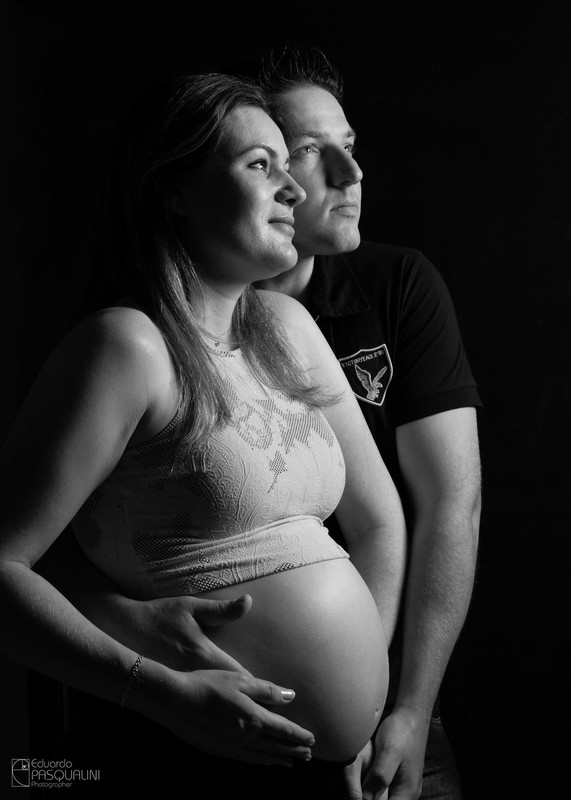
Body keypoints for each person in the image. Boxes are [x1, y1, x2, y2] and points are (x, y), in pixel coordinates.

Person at [33, 46, 482, 798]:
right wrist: (145, 675)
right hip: (189, 741)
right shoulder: (125, 347)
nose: (301, 189)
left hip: (353, 752)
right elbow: (33, 554)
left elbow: (401, 517)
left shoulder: (289, 321)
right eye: (269, 162)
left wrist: (375, 702)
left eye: (289, 162)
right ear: (176, 187)